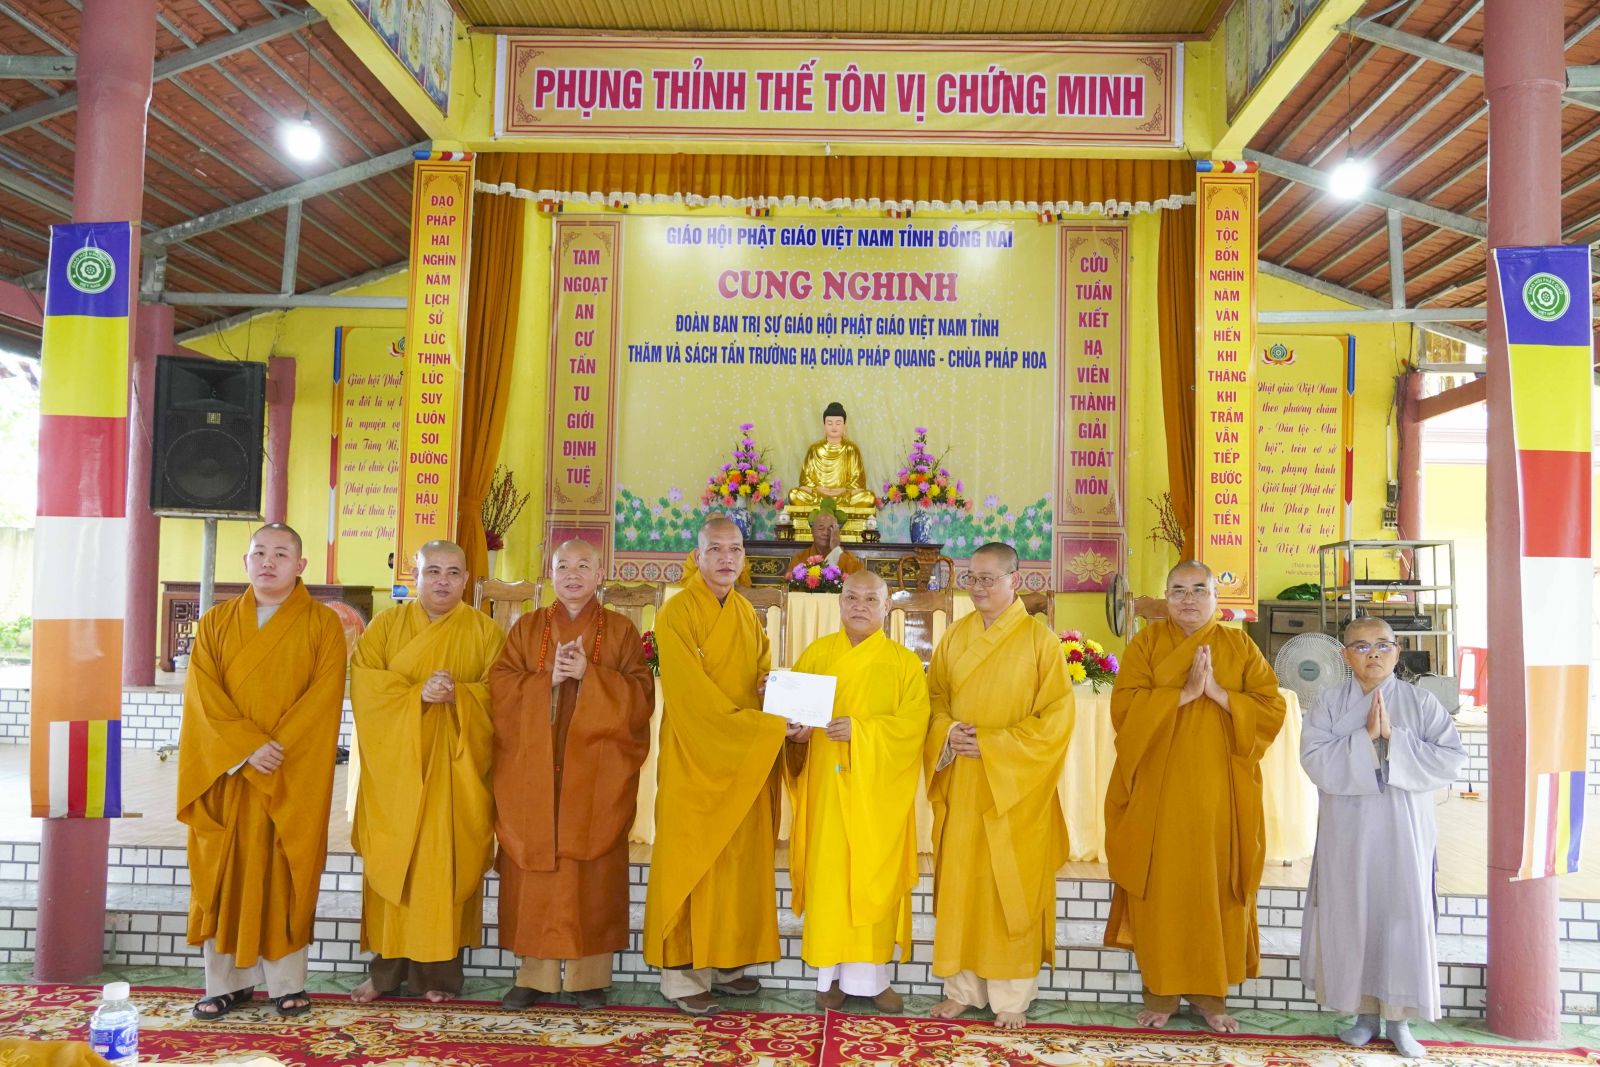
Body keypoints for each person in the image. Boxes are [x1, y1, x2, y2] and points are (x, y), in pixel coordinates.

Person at [1103, 560, 1287, 1032]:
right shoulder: (1145, 645)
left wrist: (1220, 694)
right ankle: (1161, 994)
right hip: (1159, 792)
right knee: (1162, 888)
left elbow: (1271, 708)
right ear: (1166, 597)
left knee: (1216, 887)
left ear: (1215, 598)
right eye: (1178, 590)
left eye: (1198, 589)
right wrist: (1182, 694)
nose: (1188, 599)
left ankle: (1211, 997)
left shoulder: (1239, 646)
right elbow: (1123, 709)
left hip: (1220, 793)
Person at [177, 523, 347, 1020]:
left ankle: (286, 984)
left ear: (301, 565)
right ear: (246, 561)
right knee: (222, 872)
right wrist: (246, 747)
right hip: (229, 773)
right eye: (259, 553)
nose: (268, 562)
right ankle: (223, 984)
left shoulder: (322, 625)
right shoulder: (216, 622)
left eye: (280, 554)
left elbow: (324, 699)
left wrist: (273, 749)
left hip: (289, 772)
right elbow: (202, 697)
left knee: (285, 872)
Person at [490, 539, 654, 1009]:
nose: (573, 574)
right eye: (563, 566)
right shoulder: (527, 628)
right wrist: (549, 681)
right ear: (551, 574)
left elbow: (642, 696)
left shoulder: (620, 631)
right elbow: (499, 686)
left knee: (592, 870)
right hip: (534, 770)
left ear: (600, 575)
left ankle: (589, 978)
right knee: (535, 864)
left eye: (584, 565)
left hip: (596, 774)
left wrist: (590, 677)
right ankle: (533, 976)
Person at [924, 542, 1075, 1029]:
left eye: (989, 579)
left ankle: (1012, 997)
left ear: (1016, 581)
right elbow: (935, 697)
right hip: (964, 782)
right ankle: (963, 990)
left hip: (1015, 788)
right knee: (964, 886)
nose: (978, 588)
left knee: (1011, 888)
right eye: (972, 578)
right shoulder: (955, 635)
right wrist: (948, 732)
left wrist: (992, 744)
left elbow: (1056, 719)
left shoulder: (1039, 641)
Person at [1300, 618, 1466, 1059]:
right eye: (1360, 646)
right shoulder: (1328, 703)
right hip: (1348, 828)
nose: (1372, 654)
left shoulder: (1420, 702)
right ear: (1344, 655)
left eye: (1382, 645)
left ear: (1397, 651)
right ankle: (1363, 1017)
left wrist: (1395, 737)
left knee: (1401, 915)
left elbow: (1451, 760)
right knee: (1351, 914)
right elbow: (1314, 760)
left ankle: (1399, 1021)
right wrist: (1365, 738)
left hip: (1403, 827)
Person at [348, 540, 505, 1004]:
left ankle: (439, 977)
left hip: (455, 774)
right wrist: (415, 694)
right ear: (414, 575)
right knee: (394, 865)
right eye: (432, 570)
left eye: (453, 573)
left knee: (443, 868)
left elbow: (504, 696)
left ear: (467, 579)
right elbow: (365, 689)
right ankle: (384, 975)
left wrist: (463, 696)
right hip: (397, 773)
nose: (442, 581)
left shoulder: (485, 632)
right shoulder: (384, 627)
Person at [643, 517, 785, 1015]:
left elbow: (761, 673)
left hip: (741, 757)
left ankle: (726, 961)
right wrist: (765, 729)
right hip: (696, 752)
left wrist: (772, 692)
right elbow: (692, 697)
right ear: (698, 556)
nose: (727, 558)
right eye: (716, 549)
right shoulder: (677, 612)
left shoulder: (745, 612)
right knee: (692, 857)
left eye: (736, 549)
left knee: (736, 859)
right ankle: (682, 974)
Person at [784, 570, 929, 1012]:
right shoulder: (817, 654)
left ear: (887, 606)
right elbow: (794, 722)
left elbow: (913, 728)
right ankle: (828, 977)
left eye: (870, 599)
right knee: (830, 878)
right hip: (827, 787)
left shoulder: (904, 663)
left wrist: (862, 732)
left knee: (873, 877)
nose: (860, 606)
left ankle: (872, 979)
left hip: (878, 796)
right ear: (839, 602)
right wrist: (796, 733)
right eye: (851, 598)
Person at [787, 401, 876, 510]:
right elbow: (805, 481)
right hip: (818, 496)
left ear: (845, 425)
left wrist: (844, 490)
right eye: (829, 423)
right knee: (794, 494)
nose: (834, 427)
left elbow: (858, 482)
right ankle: (828, 504)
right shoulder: (815, 449)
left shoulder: (851, 449)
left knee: (869, 497)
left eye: (838, 423)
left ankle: (830, 505)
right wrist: (817, 489)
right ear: (824, 426)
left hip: (843, 496)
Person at [784, 506, 864, 578]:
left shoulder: (849, 559)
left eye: (831, 529)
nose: (825, 533)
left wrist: (836, 550)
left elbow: (859, 579)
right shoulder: (799, 558)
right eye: (821, 528)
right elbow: (790, 585)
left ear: (837, 532)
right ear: (812, 531)